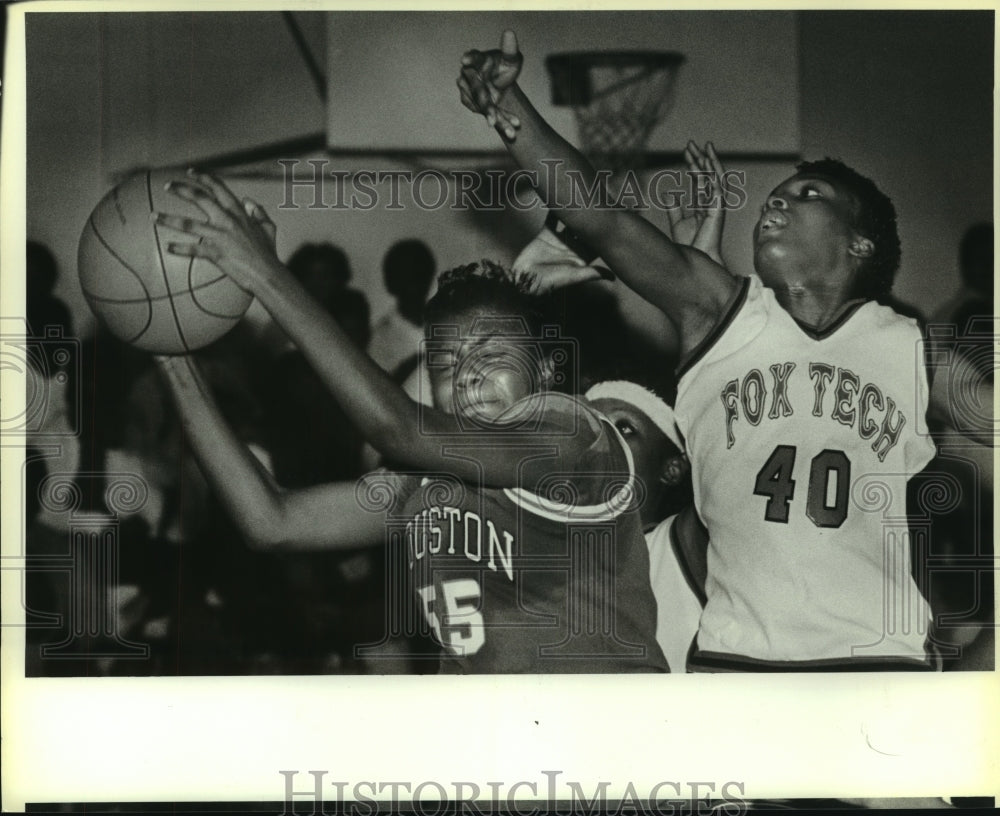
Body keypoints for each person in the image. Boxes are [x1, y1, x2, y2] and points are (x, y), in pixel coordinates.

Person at [456, 30, 979, 671]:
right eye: (777, 193)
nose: (779, 198)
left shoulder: (909, 345)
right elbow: (602, 218)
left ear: (861, 243)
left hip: (878, 666)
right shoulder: (721, 309)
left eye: (811, 194)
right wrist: (512, 110)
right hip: (739, 661)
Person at [150, 175, 667, 673]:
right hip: (492, 734)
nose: (467, 377)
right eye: (446, 365)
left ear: (548, 370)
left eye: (491, 354)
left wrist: (266, 273)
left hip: (602, 732)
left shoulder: (573, 433)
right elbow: (271, 522)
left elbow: (397, 426)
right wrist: (171, 351)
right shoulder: (425, 485)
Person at [368, 238, 436, 382]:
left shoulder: (449, 320)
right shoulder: (381, 338)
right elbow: (379, 392)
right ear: (391, 282)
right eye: (405, 273)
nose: (414, 282)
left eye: (419, 272)